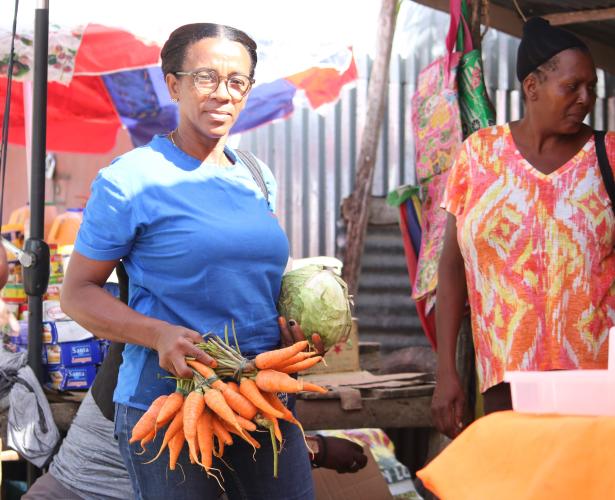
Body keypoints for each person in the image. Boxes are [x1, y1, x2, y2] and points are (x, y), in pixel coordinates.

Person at [59, 22, 325, 500]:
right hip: (167, 409)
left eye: (237, 81)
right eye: (206, 78)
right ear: (174, 83)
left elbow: (249, 277)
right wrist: (157, 334)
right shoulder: (131, 180)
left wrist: (289, 330)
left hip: (260, 400)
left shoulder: (256, 176)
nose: (223, 93)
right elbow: (76, 294)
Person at [431, 17, 615, 439]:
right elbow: (451, 269)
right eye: (573, 87)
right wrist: (447, 373)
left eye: (592, 88)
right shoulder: (478, 156)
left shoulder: (608, 156)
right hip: (505, 381)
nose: (586, 99)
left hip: (595, 384)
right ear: (532, 88)